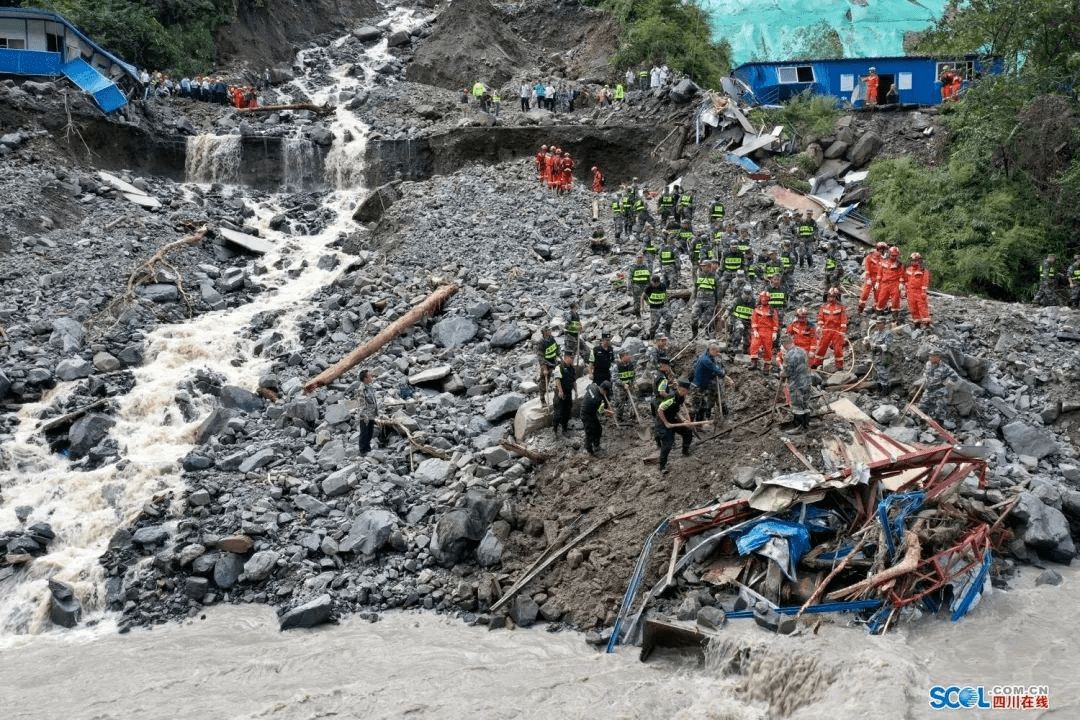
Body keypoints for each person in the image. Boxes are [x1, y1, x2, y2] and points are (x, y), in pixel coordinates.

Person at [656, 380, 693, 473]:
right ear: (680, 390)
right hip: (662, 421)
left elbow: (677, 410)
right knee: (668, 442)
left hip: (672, 419)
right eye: (685, 391)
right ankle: (662, 466)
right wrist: (666, 423)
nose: (687, 393)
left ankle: (685, 451)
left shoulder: (681, 397)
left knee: (688, 431)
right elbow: (660, 410)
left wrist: (684, 420)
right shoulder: (671, 397)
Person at [779, 335, 811, 431]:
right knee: (805, 403)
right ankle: (806, 425)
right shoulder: (802, 351)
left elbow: (786, 371)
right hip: (807, 381)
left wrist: (781, 374)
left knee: (797, 404)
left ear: (784, 344)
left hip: (796, 383)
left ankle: (799, 427)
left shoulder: (788, 355)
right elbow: (807, 364)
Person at [813, 287, 849, 370]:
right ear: (827, 297)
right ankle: (817, 364)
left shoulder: (841, 307)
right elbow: (820, 318)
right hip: (826, 330)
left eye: (833, 296)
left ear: (836, 297)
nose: (831, 298)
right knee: (821, 347)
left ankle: (839, 366)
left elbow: (844, 320)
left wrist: (843, 331)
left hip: (837, 331)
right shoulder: (823, 307)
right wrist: (820, 327)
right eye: (829, 296)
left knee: (838, 349)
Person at [690, 343, 727, 421]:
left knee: (702, 407)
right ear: (712, 350)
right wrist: (723, 372)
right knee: (696, 408)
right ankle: (689, 426)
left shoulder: (708, 356)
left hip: (703, 386)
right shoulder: (705, 360)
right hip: (698, 387)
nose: (718, 354)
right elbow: (719, 372)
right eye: (717, 352)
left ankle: (699, 426)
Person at [920, 347, 958, 421]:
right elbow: (925, 371)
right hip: (929, 390)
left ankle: (939, 423)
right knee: (922, 406)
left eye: (933, 356)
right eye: (930, 356)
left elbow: (955, 377)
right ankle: (923, 420)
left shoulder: (945, 367)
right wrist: (925, 376)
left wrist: (946, 383)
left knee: (939, 412)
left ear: (938, 357)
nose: (930, 358)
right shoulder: (928, 364)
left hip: (939, 391)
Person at [749, 290, 779, 372]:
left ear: (769, 300)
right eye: (762, 300)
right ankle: (754, 363)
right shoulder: (756, 308)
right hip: (758, 330)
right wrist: (754, 330)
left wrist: (774, 332)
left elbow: (775, 322)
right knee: (754, 345)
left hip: (768, 331)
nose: (764, 302)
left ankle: (766, 367)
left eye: (766, 300)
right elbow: (754, 320)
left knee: (768, 349)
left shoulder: (772, 310)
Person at [691, 258, 721, 337]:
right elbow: (695, 288)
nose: (703, 268)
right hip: (699, 299)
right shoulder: (699, 276)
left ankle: (707, 334)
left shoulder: (715, 277)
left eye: (704, 266)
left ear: (709, 267)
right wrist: (693, 300)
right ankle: (694, 334)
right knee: (693, 316)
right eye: (702, 266)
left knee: (707, 319)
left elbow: (718, 290)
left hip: (710, 300)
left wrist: (718, 302)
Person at [580, 380, 613, 454]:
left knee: (598, 429)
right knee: (590, 432)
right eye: (607, 392)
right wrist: (608, 412)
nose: (607, 394)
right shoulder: (596, 399)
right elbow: (601, 412)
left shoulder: (593, 386)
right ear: (604, 390)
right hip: (586, 414)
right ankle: (589, 450)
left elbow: (588, 387)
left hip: (591, 412)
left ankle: (596, 446)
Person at [864, 318, 894, 395]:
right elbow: (869, 346)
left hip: (884, 356)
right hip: (876, 357)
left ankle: (885, 393)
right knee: (877, 374)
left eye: (879, 323)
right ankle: (879, 391)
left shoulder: (888, 333)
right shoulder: (875, 334)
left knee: (884, 374)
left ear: (884, 324)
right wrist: (866, 342)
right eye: (876, 323)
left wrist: (876, 346)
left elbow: (887, 345)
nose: (877, 325)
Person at [875, 246, 905, 320]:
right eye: (892, 255)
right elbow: (880, 273)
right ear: (889, 254)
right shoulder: (883, 262)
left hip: (895, 284)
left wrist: (901, 283)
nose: (893, 257)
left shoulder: (899, 264)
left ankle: (895, 317)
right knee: (882, 298)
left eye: (895, 256)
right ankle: (879, 314)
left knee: (895, 300)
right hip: (884, 284)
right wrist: (877, 282)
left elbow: (902, 274)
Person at [858, 242, 888, 314]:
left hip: (878, 278)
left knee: (877, 293)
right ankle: (861, 307)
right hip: (871, 277)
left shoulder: (882, 258)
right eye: (882, 250)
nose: (882, 252)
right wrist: (868, 278)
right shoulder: (870, 257)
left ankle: (876, 308)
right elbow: (867, 269)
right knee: (866, 292)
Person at [904, 251, 933, 326]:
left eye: (916, 260)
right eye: (913, 260)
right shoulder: (908, 269)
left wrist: (924, 292)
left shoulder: (923, 270)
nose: (914, 262)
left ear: (919, 260)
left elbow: (925, 281)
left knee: (922, 307)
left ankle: (927, 324)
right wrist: (905, 290)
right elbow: (906, 280)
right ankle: (917, 323)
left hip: (919, 291)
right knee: (912, 307)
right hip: (910, 291)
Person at [552, 352, 577, 434]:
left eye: (573, 358)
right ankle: (555, 429)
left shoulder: (572, 369)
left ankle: (564, 428)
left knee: (567, 412)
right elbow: (557, 380)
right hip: (560, 394)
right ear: (565, 358)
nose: (572, 360)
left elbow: (574, 381)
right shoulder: (559, 367)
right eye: (571, 358)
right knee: (558, 412)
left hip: (568, 393)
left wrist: (576, 391)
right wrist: (560, 391)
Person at [357, 369, 380, 454]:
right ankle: (363, 450)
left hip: (371, 414)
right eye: (369, 376)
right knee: (364, 433)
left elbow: (374, 401)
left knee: (370, 432)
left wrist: (376, 412)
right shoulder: (362, 389)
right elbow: (362, 404)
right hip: (365, 415)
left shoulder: (370, 387)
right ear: (365, 378)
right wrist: (364, 416)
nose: (371, 377)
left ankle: (368, 448)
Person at [728, 285, 755, 354]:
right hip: (737, 319)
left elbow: (755, 312)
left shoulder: (753, 302)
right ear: (743, 292)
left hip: (747, 321)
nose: (747, 295)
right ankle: (735, 346)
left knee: (748, 335)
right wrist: (725, 314)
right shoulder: (738, 300)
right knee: (740, 328)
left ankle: (745, 349)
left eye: (749, 294)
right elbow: (730, 308)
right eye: (746, 293)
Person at [537, 326, 560, 405]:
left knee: (560, 377)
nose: (549, 332)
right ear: (544, 333)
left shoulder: (552, 339)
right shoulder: (541, 342)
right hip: (546, 364)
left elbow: (556, 348)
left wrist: (560, 357)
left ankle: (559, 394)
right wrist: (544, 368)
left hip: (554, 362)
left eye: (549, 330)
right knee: (544, 382)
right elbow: (540, 356)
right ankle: (542, 399)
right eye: (547, 331)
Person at [645, 273, 672, 340]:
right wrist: (642, 307)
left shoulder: (662, 286)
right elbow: (643, 296)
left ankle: (667, 333)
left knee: (670, 318)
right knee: (655, 324)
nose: (655, 285)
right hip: (654, 308)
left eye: (656, 283)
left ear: (659, 282)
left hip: (662, 306)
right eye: (654, 283)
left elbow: (666, 293)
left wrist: (667, 299)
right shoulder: (649, 287)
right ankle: (651, 338)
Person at [613, 350, 637, 422]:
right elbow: (614, 378)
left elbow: (634, 375)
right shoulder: (616, 366)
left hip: (630, 385)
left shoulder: (631, 365)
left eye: (628, 354)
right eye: (626, 355)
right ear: (621, 357)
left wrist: (634, 383)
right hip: (619, 387)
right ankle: (619, 417)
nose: (628, 356)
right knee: (620, 403)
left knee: (633, 401)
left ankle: (633, 417)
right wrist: (623, 384)